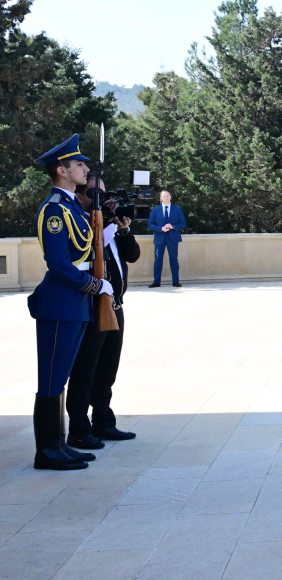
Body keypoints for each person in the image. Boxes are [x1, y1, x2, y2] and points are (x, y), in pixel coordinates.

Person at [27, 135, 114, 471]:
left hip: (74, 302)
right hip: (61, 301)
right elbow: (59, 264)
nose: (85, 169)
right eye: (79, 165)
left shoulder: (72, 207)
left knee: (61, 376)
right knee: (51, 378)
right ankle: (46, 450)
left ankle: (58, 444)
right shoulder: (53, 211)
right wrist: (94, 284)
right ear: (62, 170)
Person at [65, 180, 140, 450]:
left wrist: (123, 229)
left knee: (107, 369)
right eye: (94, 193)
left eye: (104, 193)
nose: (102, 199)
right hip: (93, 308)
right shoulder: (79, 224)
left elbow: (132, 255)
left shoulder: (108, 225)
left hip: (115, 307)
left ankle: (103, 421)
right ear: (79, 194)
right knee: (85, 371)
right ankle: (79, 429)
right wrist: (103, 227)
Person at [147, 189, 186, 287]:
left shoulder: (177, 209)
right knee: (158, 260)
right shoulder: (155, 210)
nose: (166, 198)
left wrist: (173, 226)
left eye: (167, 196)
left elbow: (183, 223)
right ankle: (156, 282)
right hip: (159, 238)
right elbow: (150, 225)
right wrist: (161, 228)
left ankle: (175, 281)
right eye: (164, 196)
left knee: (174, 260)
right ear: (160, 198)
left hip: (173, 238)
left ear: (170, 197)